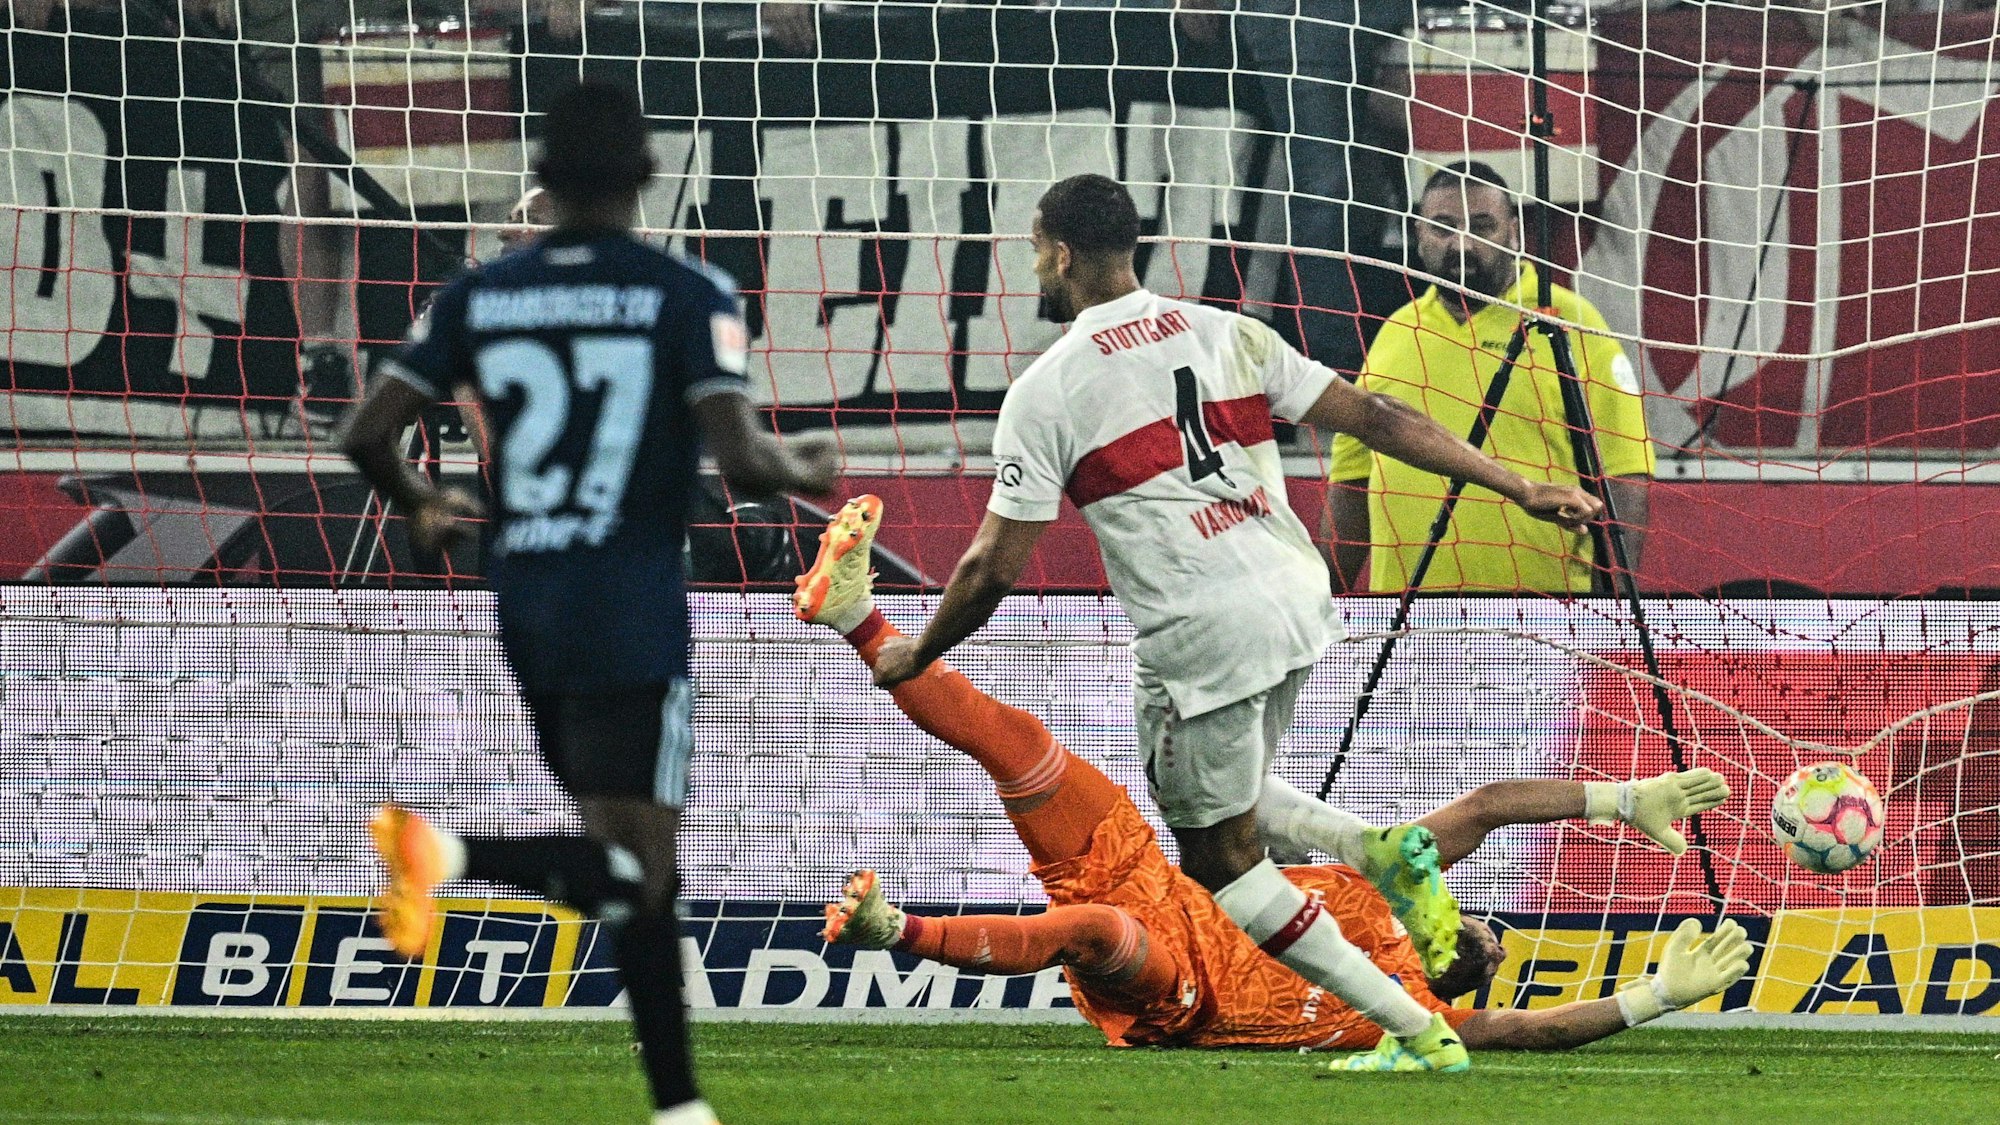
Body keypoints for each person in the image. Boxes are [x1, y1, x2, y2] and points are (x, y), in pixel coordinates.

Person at [866, 172, 1604, 1071]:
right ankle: (1366, 845)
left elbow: (991, 565)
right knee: (1236, 798)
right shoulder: (1228, 331)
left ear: (1057, 253)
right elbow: (1376, 414)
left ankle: (1416, 1030)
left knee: (1223, 861)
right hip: (1296, 602)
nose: (1036, 267)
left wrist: (918, 649)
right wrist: (1520, 485)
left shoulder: (1047, 390)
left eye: (1034, 251)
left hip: (1205, 633)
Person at [798, 496, 1744, 1057]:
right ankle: (856, 619)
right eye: (1493, 931)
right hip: (1153, 874)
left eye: (1496, 952)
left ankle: (896, 930)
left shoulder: (1420, 1013)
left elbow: (1537, 1032)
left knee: (1096, 931)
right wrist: (1628, 798)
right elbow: (1490, 808)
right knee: (1022, 748)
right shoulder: (1397, 876)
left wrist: (1657, 996)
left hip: (1179, 993)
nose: (1496, 940)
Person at [339, 82, 837, 1125]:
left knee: (632, 866)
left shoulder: (479, 296)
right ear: (647, 175)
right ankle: (448, 854)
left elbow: (364, 434)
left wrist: (422, 505)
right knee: (635, 866)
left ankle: (679, 1108)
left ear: (544, 178)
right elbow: (741, 459)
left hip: (526, 601)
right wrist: (803, 465)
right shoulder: (685, 289)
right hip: (630, 602)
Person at [1326, 162, 1656, 595]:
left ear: (1513, 231)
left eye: (1482, 227)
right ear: (1417, 234)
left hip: (1544, 615)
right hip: (1405, 616)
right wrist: (1324, 598)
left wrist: (1610, 611)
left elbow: (1625, 474)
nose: (1461, 245)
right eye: (1442, 228)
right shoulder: (1396, 332)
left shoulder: (1569, 321)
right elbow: (1352, 482)